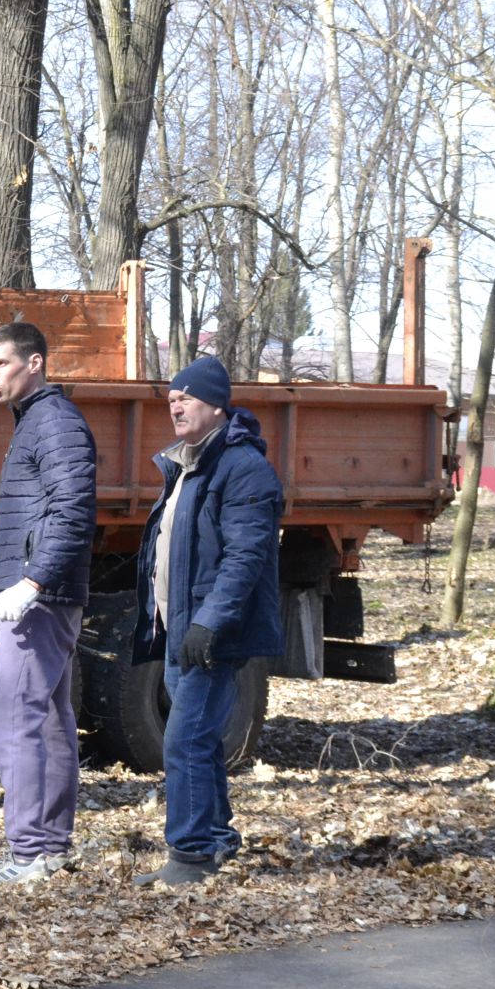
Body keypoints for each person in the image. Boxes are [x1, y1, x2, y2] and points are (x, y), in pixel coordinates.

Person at [131, 356, 283, 887]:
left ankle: (190, 855)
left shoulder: (242, 469)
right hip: (181, 629)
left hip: (212, 634)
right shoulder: (189, 466)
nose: (174, 403)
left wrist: (209, 624)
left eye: (187, 396)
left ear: (217, 405)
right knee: (199, 737)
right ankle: (215, 839)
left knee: (184, 739)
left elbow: (245, 558)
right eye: (171, 397)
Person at [0, 321, 98, 885]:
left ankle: (28, 854)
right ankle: (48, 849)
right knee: (49, 718)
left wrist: (32, 584)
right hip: (46, 593)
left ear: (35, 363)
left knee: (15, 720)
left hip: (42, 597)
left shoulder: (53, 422)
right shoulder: (40, 422)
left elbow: (73, 508)